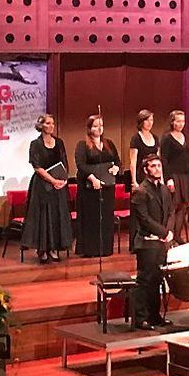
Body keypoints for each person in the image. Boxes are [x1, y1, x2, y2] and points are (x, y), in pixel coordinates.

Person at [130, 154, 174, 330]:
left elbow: (171, 212)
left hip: (161, 243)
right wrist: (164, 232)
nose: (157, 168)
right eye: (153, 166)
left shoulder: (164, 189)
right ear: (146, 169)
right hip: (147, 243)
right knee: (145, 280)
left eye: (159, 165)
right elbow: (144, 219)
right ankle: (141, 319)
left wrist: (169, 232)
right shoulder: (141, 191)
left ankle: (155, 317)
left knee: (157, 280)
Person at [21, 114, 73, 263]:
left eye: (53, 123)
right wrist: (52, 180)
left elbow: (64, 162)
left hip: (59, 185)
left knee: (57, 215)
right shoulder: (35, 144)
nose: (51, 126)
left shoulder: (59, 142)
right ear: (41, 126)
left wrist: (62, 180)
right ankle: (42, 250)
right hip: (42, 186)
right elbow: (37, 167)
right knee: (43, 216)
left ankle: (54, 248)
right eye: (48, 123)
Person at [74, 114, 120, 257]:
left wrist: (116, 168)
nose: (98, 129)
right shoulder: (82, 145)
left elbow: (117, 161)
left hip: (107, 187)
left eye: (101, 125)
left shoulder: (109, 143)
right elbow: (81, 165)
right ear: (89, 128)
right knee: (92, 218)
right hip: (89, 188)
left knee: (106, 217)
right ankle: (90, 250)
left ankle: (105, 249)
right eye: (95, 126)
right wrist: (93, 178)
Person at [160, 110, 189, 242]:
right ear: (172, 122)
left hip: (185, 176)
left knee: (183, 206)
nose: (181, 124)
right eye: (178, 121)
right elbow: (164, 159)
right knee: (173, 207)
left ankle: (177, 236)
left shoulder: (185, 136)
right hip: (174, 176)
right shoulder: (167, 138)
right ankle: (168, 237)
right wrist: (168, 178)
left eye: (183, 121)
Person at [129, 109, 159, 191]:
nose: (150, 123)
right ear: (141, 121)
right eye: (147, 120)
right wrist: (134, 181)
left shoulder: (155, 138)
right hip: (141, 176)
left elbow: (158, 160)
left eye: (151, 120)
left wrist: (161, 178)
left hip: (154, 175)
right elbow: (133, 162)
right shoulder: (136, 138)